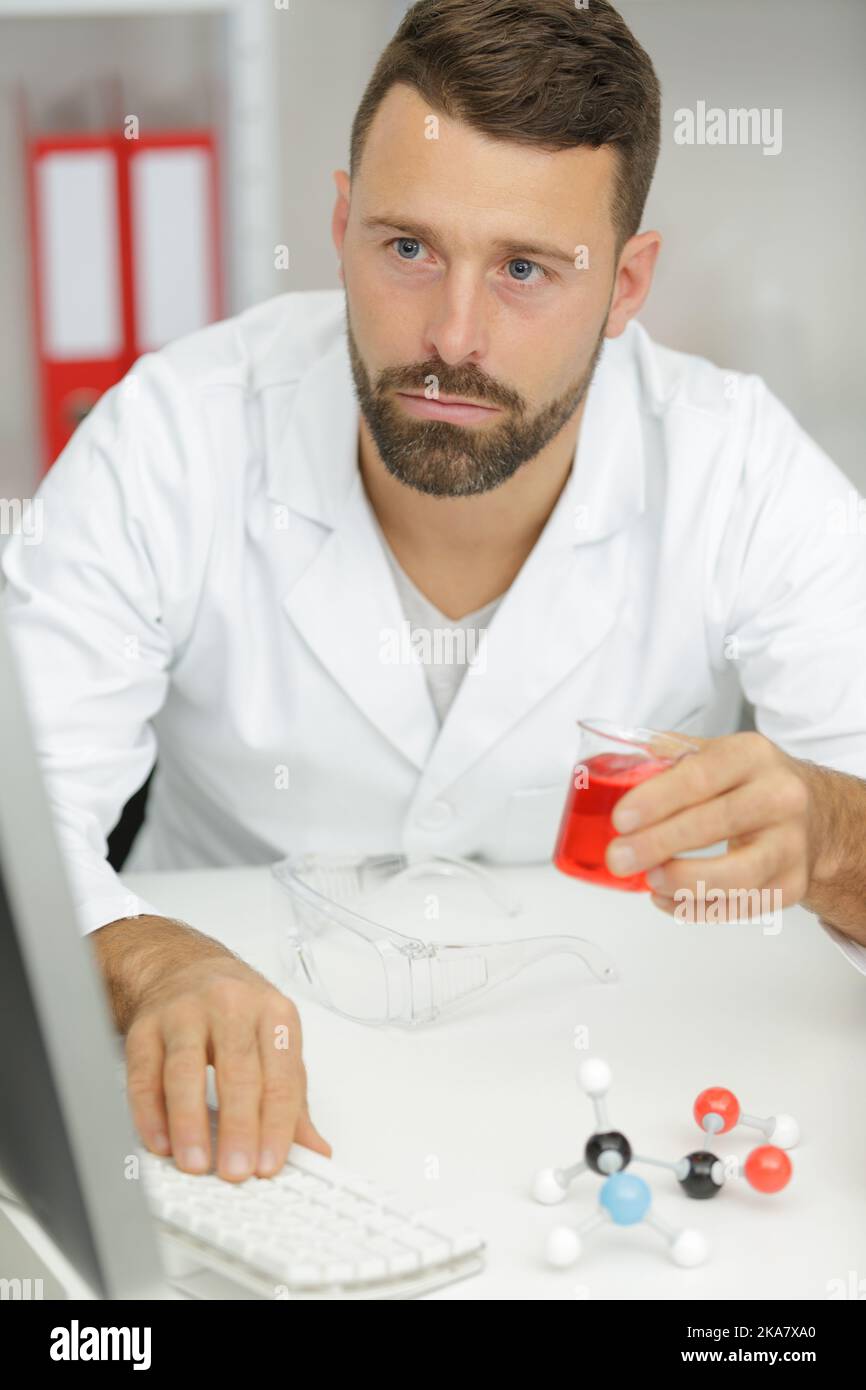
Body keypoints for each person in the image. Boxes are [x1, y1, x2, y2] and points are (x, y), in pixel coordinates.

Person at [3, 0, 866, 1184]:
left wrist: (830, 838)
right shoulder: (173, 434)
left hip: (616, 1106)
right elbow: (16, 819)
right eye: (406, 247)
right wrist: (138, 953)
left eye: (524, 269)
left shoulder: (737, 468)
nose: (451, 338)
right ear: (339, 220)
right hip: (224, 1116)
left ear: (625, 286)